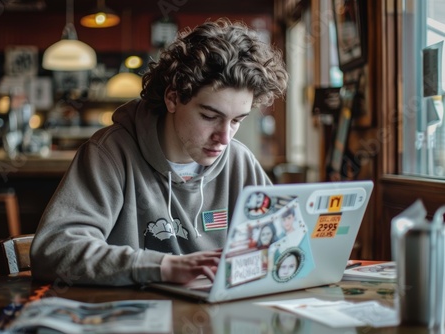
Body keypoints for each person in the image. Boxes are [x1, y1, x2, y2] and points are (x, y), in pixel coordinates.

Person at [30, 17, 288, 286]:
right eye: (210, 116)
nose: (224, 137)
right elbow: (53, 251)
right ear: (173, 98)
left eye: (237, 120)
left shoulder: (239, 161)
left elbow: (284, 242)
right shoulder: (110, 153)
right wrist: (161, 267)